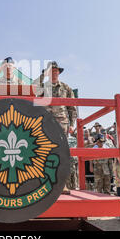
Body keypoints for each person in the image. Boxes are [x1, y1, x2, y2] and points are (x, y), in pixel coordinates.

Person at [33, 61, 77, 194]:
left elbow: (72, 107)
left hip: (62, 123)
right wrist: (42, 75)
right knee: (43, 151)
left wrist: (72, 124)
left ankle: (61, 184)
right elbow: (33, 88)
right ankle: (44, 183)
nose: (54, 73)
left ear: (59, 72)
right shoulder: (43, 86)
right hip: (45, 123)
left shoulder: (65, 87)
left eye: (55, 70)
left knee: (61, 153)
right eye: (51, 71)